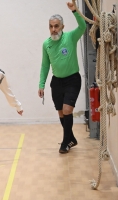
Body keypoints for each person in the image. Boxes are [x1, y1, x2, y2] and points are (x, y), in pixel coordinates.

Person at [38, 2, 86, 154]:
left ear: (62, 27)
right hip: (57, 82)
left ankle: (65, 142)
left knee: (67, 109)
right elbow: (45, 66)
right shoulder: (46, 44)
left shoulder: (70, 37)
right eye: (51, 26)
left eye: (56, 26)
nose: (53, 29)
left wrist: (75, 11)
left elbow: (83, 27)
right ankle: (71, 138)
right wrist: (41, 84)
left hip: (72, 80)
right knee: (61, 112)